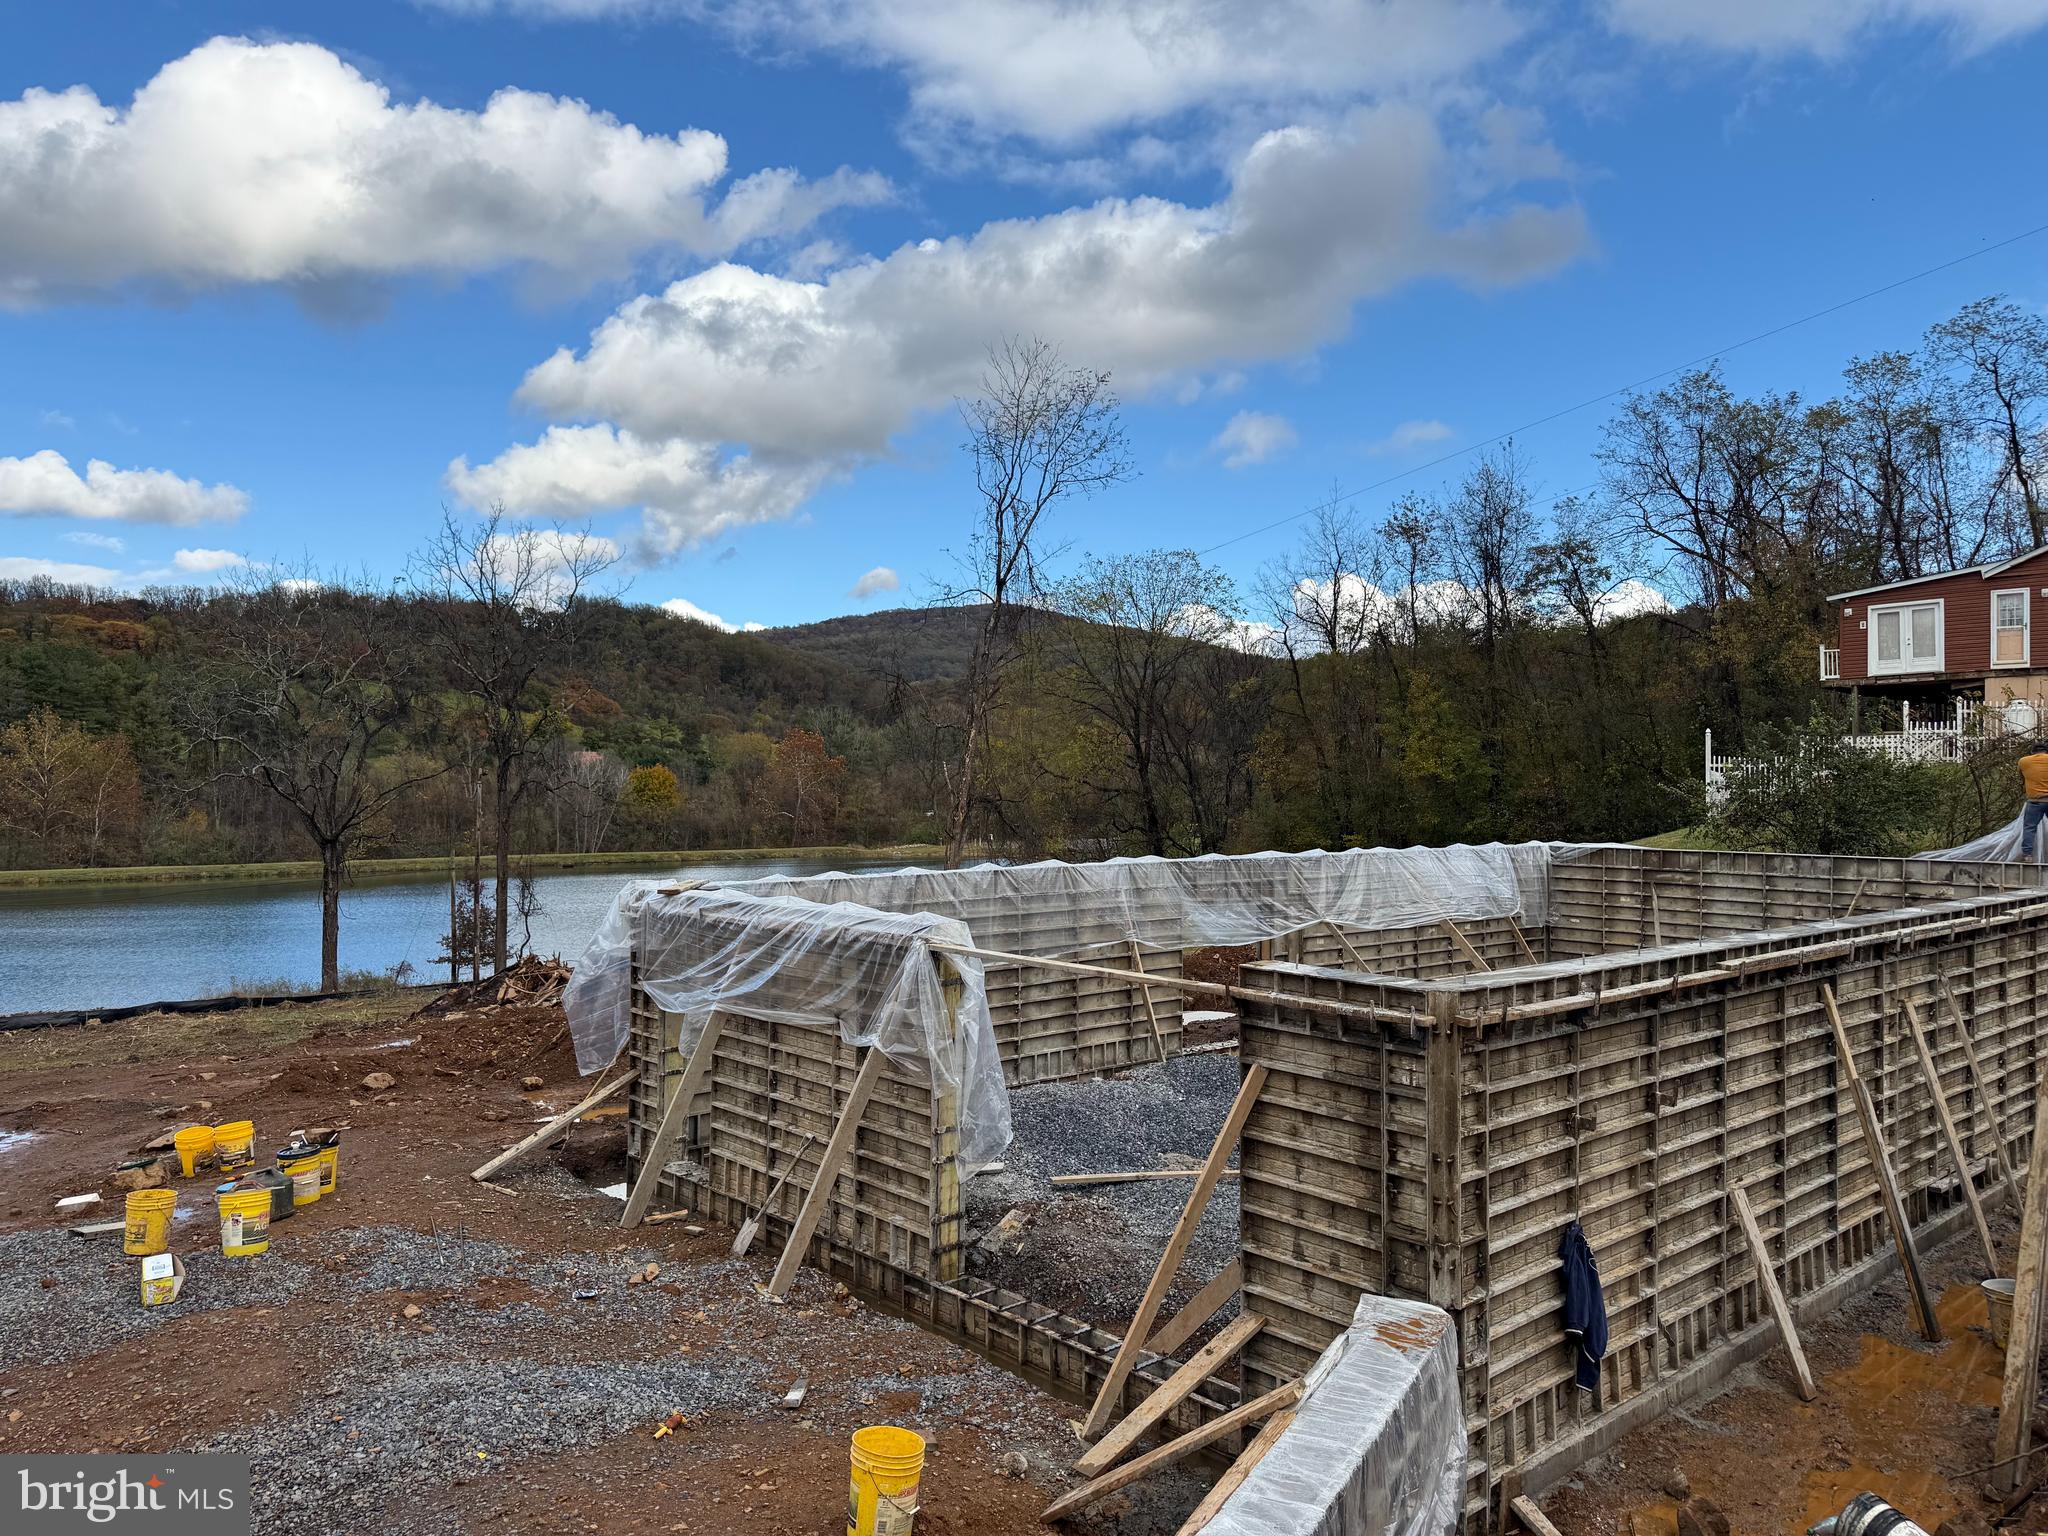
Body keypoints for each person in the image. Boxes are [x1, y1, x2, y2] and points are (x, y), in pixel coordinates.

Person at [2022, 740, 2048, 858]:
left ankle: (2027, 855)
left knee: (2029, 828)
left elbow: (2022, 776)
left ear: (2032, 752)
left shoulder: (2023, 761)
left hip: (2035, 801)